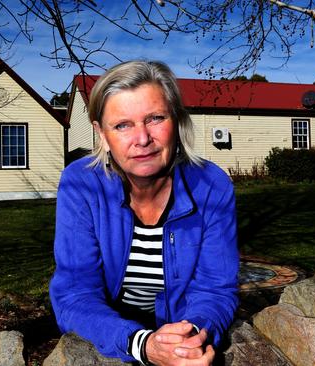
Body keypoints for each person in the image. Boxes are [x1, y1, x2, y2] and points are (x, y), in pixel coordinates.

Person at [50, 60, 239, 366]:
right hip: (111, 334)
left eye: (155, 118)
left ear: (175, 120)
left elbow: (215, 289)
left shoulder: (211, 186)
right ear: (101, 133)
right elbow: (74, 294)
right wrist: (142, 344)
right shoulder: (81, 185)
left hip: (181, 334)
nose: (142, 139)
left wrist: (190, 338)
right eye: (122, 125)